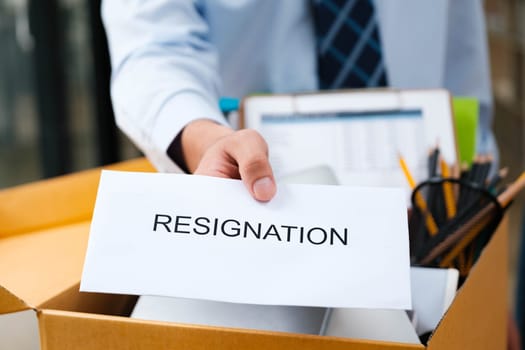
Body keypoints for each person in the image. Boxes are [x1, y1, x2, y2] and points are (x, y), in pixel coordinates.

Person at [101, 0, 495, 203]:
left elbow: (462, 63)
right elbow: (152, 48)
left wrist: (483, 273)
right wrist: (206, 140)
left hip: (427, 213)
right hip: (258, 201)